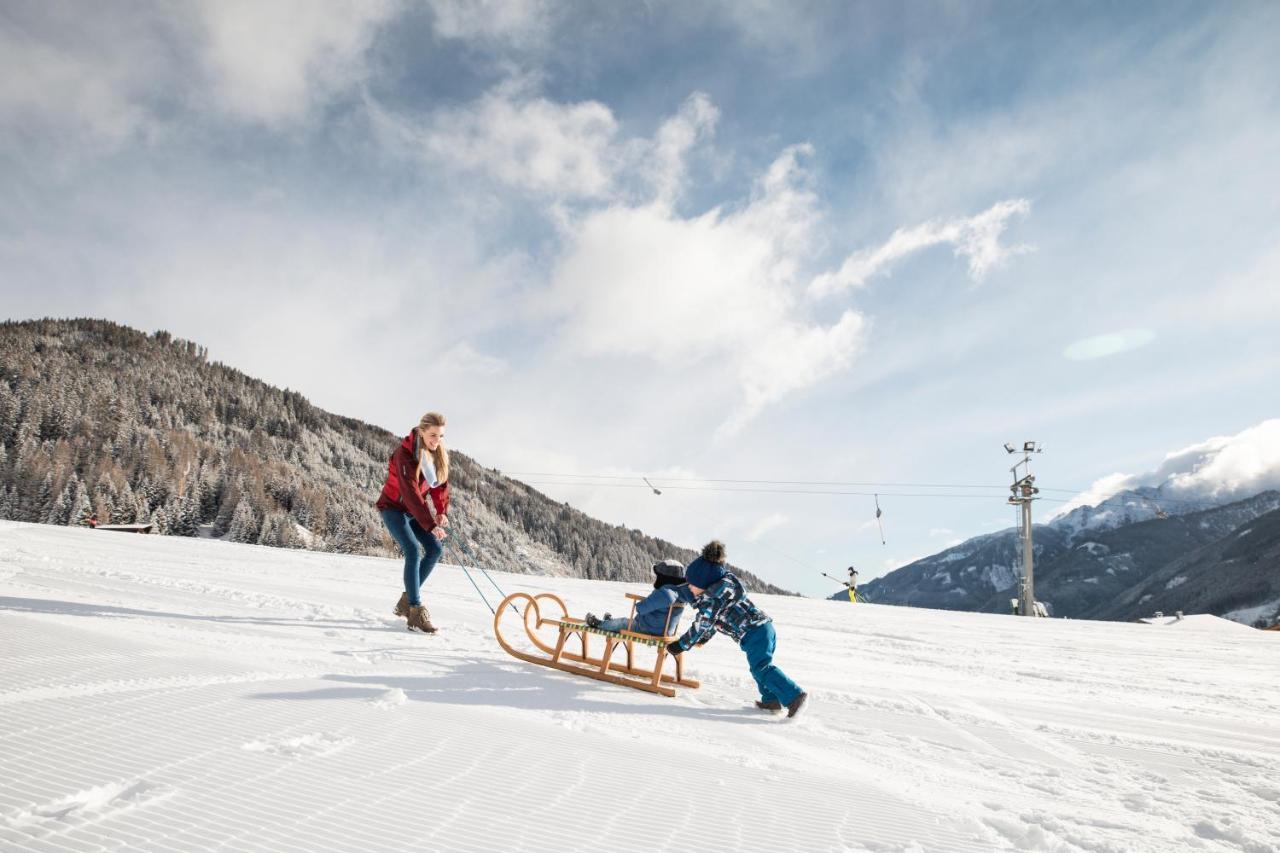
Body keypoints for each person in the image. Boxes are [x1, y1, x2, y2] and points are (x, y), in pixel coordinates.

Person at [667, 540, 808, 718]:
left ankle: (794, 696)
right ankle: (771, 700)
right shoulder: (720, 594)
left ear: (704, 585)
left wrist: (681, 644)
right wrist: (704, 638)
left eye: (691, 584)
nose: (689, 587)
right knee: (759, 667)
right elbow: (712, 623)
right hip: (763, 630)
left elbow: (703, 623)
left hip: (755, 633)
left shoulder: (713, 599)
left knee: (761, 668)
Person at [376, 412, 450, 633]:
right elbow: (411, 494)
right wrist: (430, 525)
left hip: (412, 511)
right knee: (412, 551)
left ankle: (407, 600)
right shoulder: (405, 455)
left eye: (440, 436)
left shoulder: (435, 454)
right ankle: (415, 611)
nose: (437, 440)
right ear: (421, 431)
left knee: (435, 549)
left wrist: (441, 511)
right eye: (433, 435)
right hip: (393, 508)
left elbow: (439, 485)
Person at [584, 559, 687, 636]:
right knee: (627, 622)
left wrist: (641, 604)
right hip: (664, 630)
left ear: (663, 578)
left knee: (624, 623)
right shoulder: (679, 593)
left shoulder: (665, 593)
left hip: (649, 629)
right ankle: (610, 622)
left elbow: (641, 608)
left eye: (657, 576)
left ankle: (600, 624)